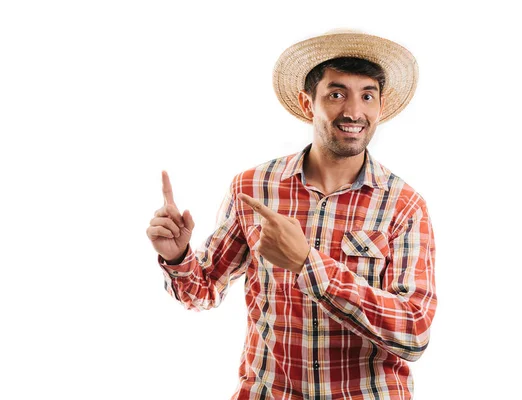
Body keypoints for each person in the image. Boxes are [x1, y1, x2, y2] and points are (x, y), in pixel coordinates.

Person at [147, 30, 436, 400]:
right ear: (306, 103)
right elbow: (202, 290)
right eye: (336, 94)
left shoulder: (404, 205)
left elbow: (413, 333)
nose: (353, 111)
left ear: (380, 107)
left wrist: (307, 264)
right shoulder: (253, 188)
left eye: (367, 95)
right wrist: (177, 255)